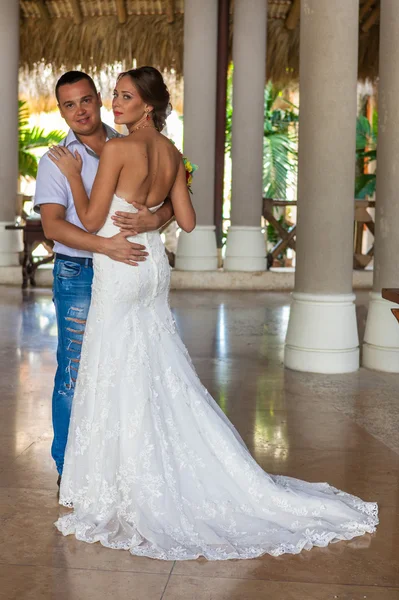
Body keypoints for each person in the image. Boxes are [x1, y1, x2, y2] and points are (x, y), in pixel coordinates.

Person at [51, 67, 378, 561]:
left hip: (120, 266)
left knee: (113, 365)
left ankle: (120, 481)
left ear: (148, 106)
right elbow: (187, 220)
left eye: (123, 97)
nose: (114, 105)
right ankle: (150, 466)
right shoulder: (173, 154)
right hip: (154, 268)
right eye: (114, 96)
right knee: (153, 365)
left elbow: (94, 220)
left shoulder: (117, 150)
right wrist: (150, 216)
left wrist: (77, 178)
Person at [34, 71, 174, 486]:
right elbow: (54, 228)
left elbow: (179, 196)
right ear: (61, 111)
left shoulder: (131, 142)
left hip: (126, 272)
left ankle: (118, 468)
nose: (79, 111)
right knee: (76, 371)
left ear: (99, 99)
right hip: (79, 271)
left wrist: (156, 217)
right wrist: (104, 247)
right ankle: (68, 471)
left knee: (125, 368)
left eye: (86, 100)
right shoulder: (56, 161)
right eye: (68, 105)